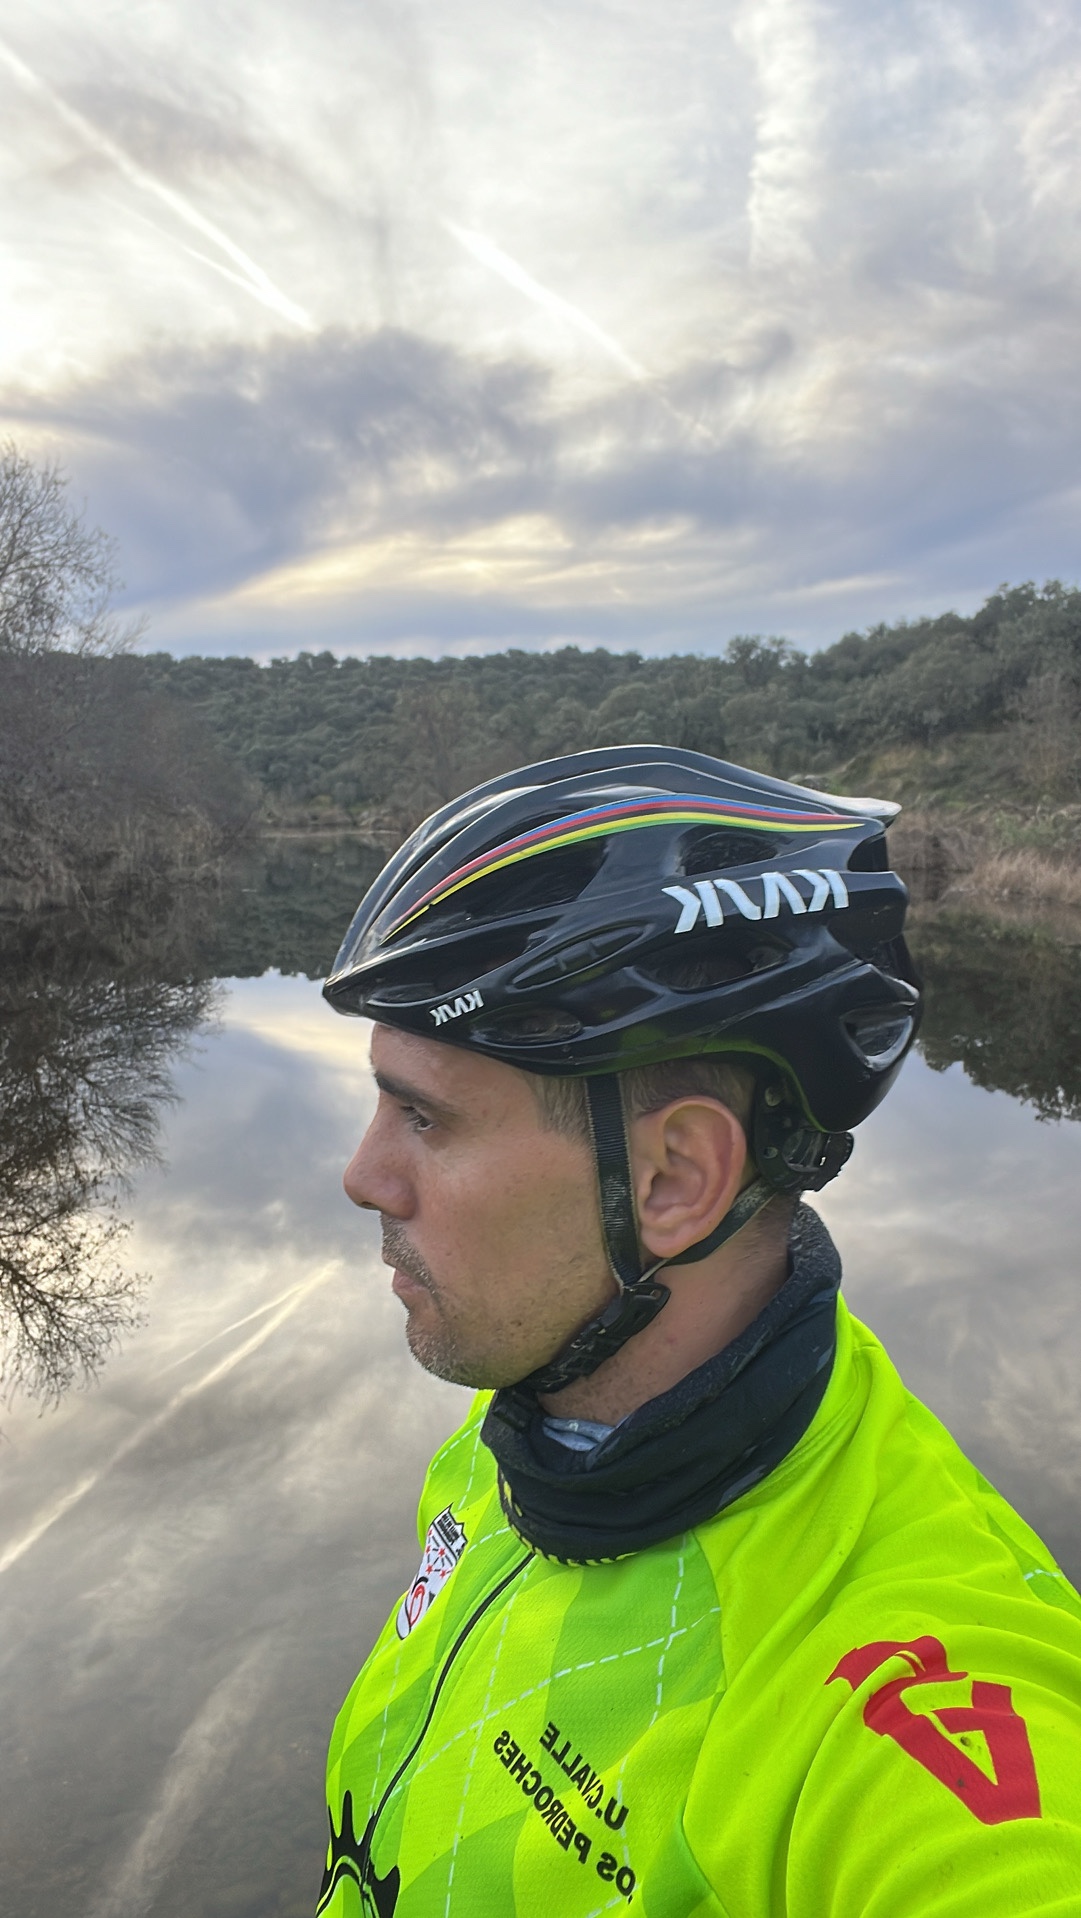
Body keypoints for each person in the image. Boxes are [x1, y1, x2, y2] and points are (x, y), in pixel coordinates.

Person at [317, 745, 1081, 1918]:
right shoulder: (532, 1412)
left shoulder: (892, 1697)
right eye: (380, 1098)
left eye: (424, 1116)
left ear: (673, 1178)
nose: (364, 1175)